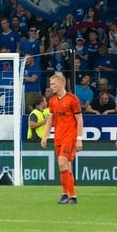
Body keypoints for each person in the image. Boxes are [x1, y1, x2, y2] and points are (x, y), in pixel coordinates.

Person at [40, 73, 83, 205]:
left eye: (53, 84)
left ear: (61, 83)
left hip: (70, 136)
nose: (51, 87)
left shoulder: (72, 99)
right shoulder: (52, 101)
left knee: (62, 161)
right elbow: (50, 119)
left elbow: (79, 119)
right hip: (58, 137)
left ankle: (65, 195)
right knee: (65, 166)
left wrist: (79, 138)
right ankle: (72, 196)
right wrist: (45, 135)